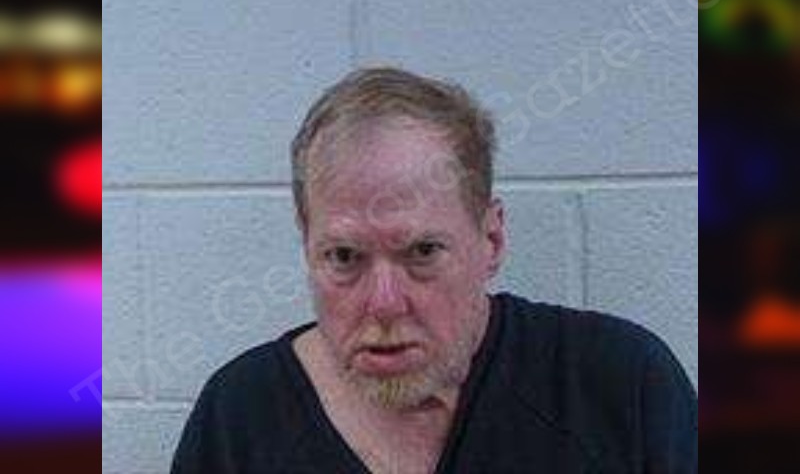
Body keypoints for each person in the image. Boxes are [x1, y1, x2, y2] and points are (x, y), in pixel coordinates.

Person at [171, 67, 697, 473]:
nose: (383, 303)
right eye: (345, 257)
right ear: (307, 244)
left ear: (491, 240)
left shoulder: (619, 385)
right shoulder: (240, 418)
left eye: (422, 252)